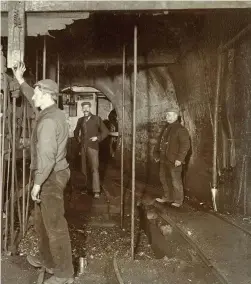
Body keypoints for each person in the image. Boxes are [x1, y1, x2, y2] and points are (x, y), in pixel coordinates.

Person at [12, 62, 74, 284]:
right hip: (51, 173)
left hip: (50, 177)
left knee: (55, 226)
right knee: (41, 222)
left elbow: (46, 158)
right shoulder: (51, 112)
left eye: (37, 93)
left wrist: (37, 184)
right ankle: (47, 259)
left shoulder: (48, 121)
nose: (33, 97)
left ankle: (65, 274)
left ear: (46, 95)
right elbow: (31, 97)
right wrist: (20, 80)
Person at [154, 107, 190, 208]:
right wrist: (156, 154)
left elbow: (185, 145)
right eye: (167, 115)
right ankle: (167, 197)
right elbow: (159, 142)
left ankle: (178, 201)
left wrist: (180, 159)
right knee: (164, 179)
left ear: (176, 116)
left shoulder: (180, 129)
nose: (167, 117)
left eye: (170, 115)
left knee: (175, 180)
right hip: (163, 159)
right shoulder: (166, 128)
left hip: (174, 160)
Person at [74, 101, 109, 198]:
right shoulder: (80, 120)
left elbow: (106, 131)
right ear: (82, 109)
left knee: (94, 169)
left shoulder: (97, 119)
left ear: (90, 108)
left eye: (87, 107)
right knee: (84, 169)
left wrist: (97, 138)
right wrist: (78, 139)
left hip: (93, 147)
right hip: (83, 147)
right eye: (83, 108)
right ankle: (88, 188)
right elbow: (76, 132)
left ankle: (96, 191)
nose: (85, 109)